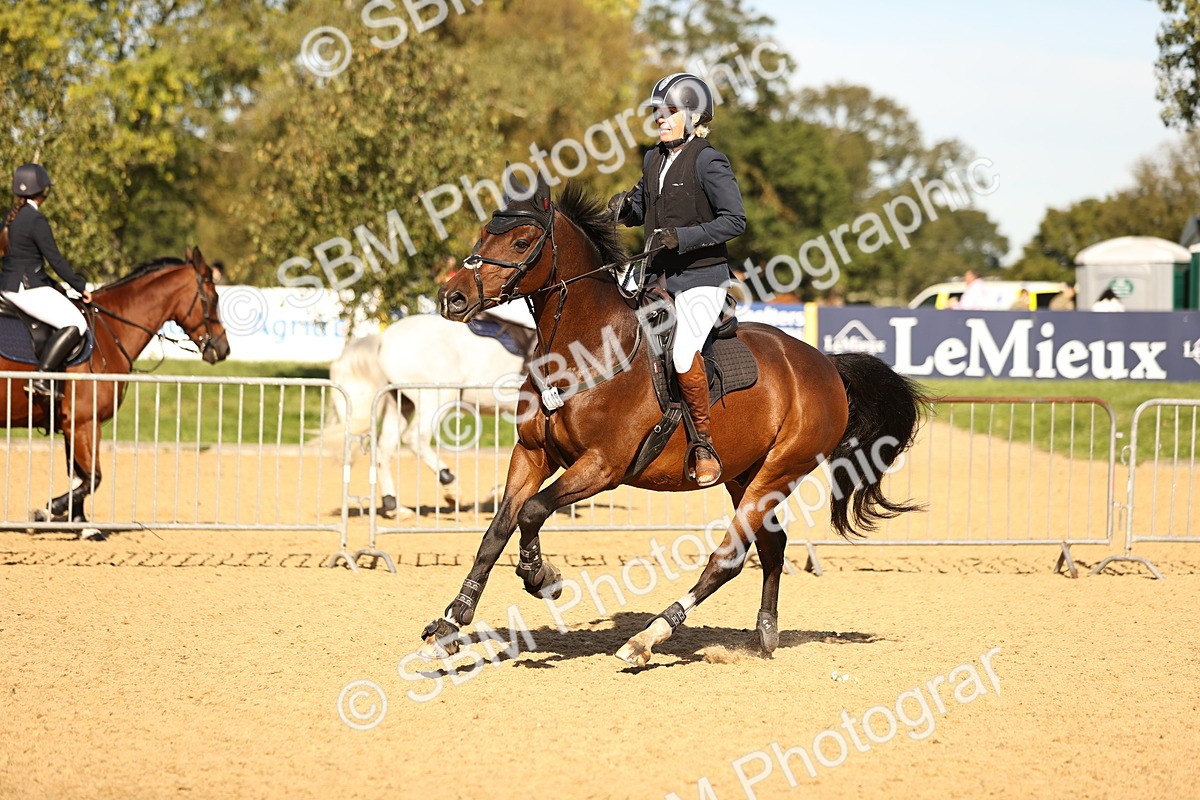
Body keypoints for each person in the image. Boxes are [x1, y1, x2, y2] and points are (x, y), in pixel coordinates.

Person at [610, 73, 747, 487]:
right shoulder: (653, 159)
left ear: (693, 117)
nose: (661, 118)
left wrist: (683, 238)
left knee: (684, 354)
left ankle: (703, 445)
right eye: (658, 111)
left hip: (701, 279)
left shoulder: (709, 161)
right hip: (656, 277)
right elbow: (642, 206)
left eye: (670, 112)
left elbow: (735, 220)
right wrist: (625, 209)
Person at [0, 164, 91, 396]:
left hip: (8, 286)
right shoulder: (35, 219)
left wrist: (52, 284)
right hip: (27, 289)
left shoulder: (9, 218)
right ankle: (42, 377)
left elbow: (22, 260)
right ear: (42, 191)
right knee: (77, 323)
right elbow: (56, 260)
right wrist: (81, 287)